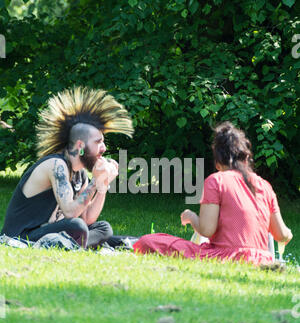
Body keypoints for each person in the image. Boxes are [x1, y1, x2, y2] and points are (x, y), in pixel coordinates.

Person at [134, 121, 293, 265]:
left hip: (225, 257)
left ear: (218, 160)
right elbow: (281, 234)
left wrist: (191, 217)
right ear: (245, 157)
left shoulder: (217, 181)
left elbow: (207, 230)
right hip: (262, 259)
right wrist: (288, 234)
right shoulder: (264, 185)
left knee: (148, 241)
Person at [1, 87, 134, 249]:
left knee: (103, 228)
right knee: (77, 226)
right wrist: (94, 182)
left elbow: (87, 218)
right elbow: (71, 213)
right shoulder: (56, 165)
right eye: (98, 142)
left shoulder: (80, 173)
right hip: (22, 236)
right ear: (81, 146)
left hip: (52, 232)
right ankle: (78, 245)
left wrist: (102, 185)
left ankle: (72, 245)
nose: (104, 148)